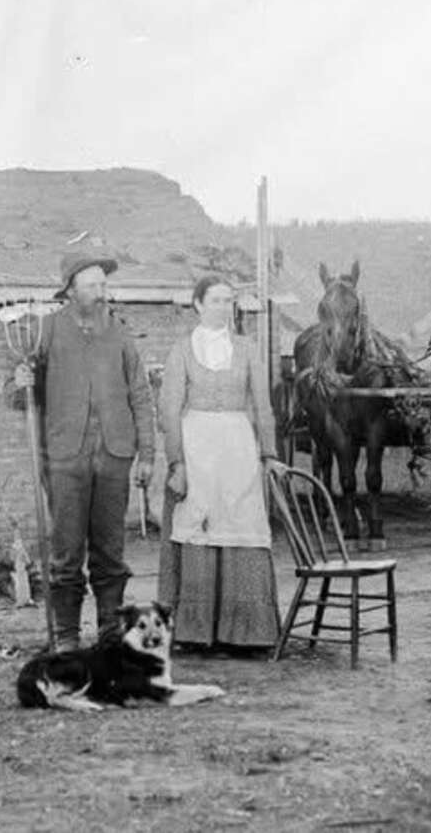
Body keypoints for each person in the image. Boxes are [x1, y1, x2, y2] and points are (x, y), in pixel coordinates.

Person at [14, 251, 155, 652]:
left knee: (111, 551)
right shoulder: (47, 331)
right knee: (67, 551)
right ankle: (67, 639)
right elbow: (19, 395)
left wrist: (147, 453)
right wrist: (19, 381)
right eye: (92, 285)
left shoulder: (120, 332)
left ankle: (110, 636)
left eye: (103, 285)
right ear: (71, 291)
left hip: (114, 454)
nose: (100, 292)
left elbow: (141, 395)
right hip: (65, 457)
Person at [158, 275, 280, 653]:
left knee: (240, 524)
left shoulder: (246, 348)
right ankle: (196, 633)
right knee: (199, 526)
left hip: (237, 450)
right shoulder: (181, 350)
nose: (223, 308)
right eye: (215, 300)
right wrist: (177, 462)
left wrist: (270, 453)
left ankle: (245, 633)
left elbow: (262, 405)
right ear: (197, 304)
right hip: (196, 450)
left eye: (229, 301)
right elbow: (168, 408)